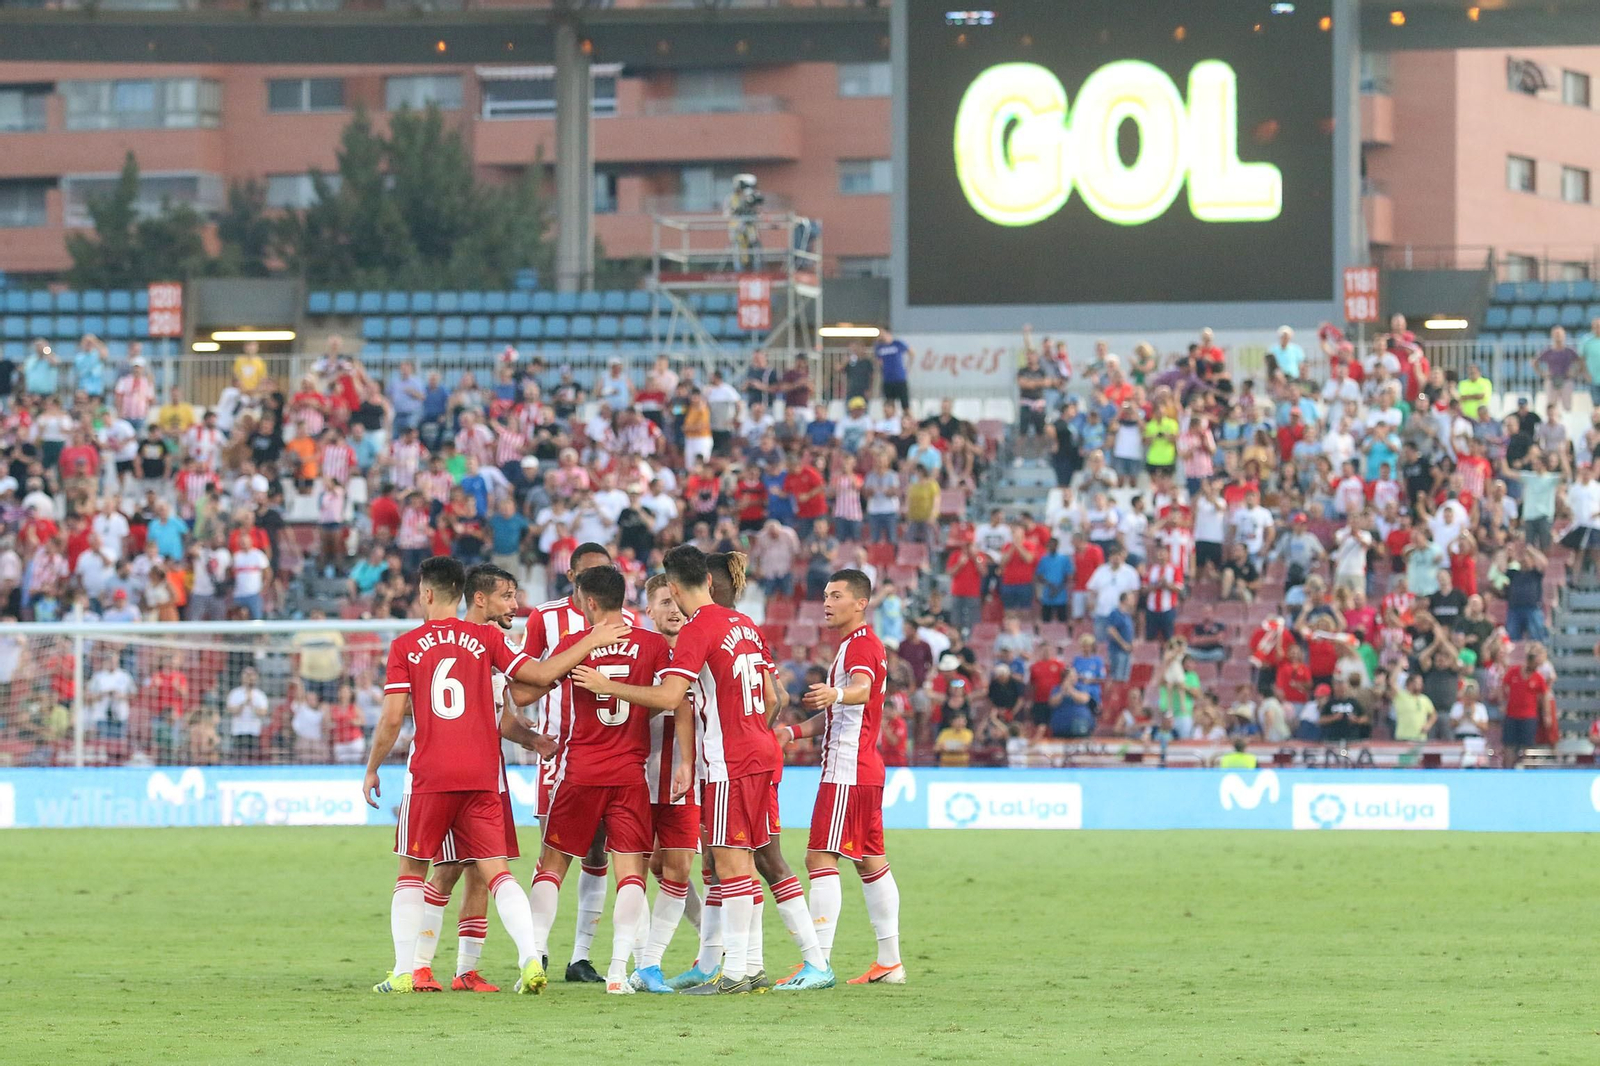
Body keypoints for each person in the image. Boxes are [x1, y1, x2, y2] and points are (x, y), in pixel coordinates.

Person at [362, 556, 628, 995]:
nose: (513, 604)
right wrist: (590, 641)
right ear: (469, 593)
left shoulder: (406, 645)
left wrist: (372, 768)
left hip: (431, 774)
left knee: (414, 871)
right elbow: (537, 676)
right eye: (507, 596)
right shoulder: (485, 638)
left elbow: (393, 718)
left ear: (427, 593)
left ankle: (405, 970)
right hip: (483, 774)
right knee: (494, 872)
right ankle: (528, 959)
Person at [572, 544, 781, 996]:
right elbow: (772, 698)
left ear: (673, 586)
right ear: (708, 580)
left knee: (729, 865)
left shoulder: (697, 629)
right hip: (761, 753)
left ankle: (739, 970)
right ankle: (750, 966)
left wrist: (609, 686)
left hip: (729, 759)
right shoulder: (743, 622)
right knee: (741, 859)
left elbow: (670, 698)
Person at [522, 565, 673, 996]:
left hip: (580, 772)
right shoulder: (651, 645)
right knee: (630, 875)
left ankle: (532, 958)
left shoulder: (574, 645)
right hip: (630, 776)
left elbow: (523, 691)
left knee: (551, 868)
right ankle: (618, 973)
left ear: (588, 602)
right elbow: (670, 699)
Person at [409, 565, 554, 994]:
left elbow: (501, 717)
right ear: (479, 599)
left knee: (479, 874)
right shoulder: (472, 644)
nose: (515, 605)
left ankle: (465, 970)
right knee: (450, 870)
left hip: (490, 775)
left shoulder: (490, 646)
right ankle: (418, 965)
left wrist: (531, 740)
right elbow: (524, 690)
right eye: (507, 596)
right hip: (458, 774)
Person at [774, 568, 903, 987]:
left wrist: (837, 693)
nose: (827, 602)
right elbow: (838, 714)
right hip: (863, 767)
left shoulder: (859, 647)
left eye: (836, 595)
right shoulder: (855, 646)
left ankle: (819, 962)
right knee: (870, 862)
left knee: (819, 858)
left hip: (846, 770)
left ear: (861, 603)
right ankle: (890, 962)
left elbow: (861, 691)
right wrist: (793, 731)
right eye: (826, 595)